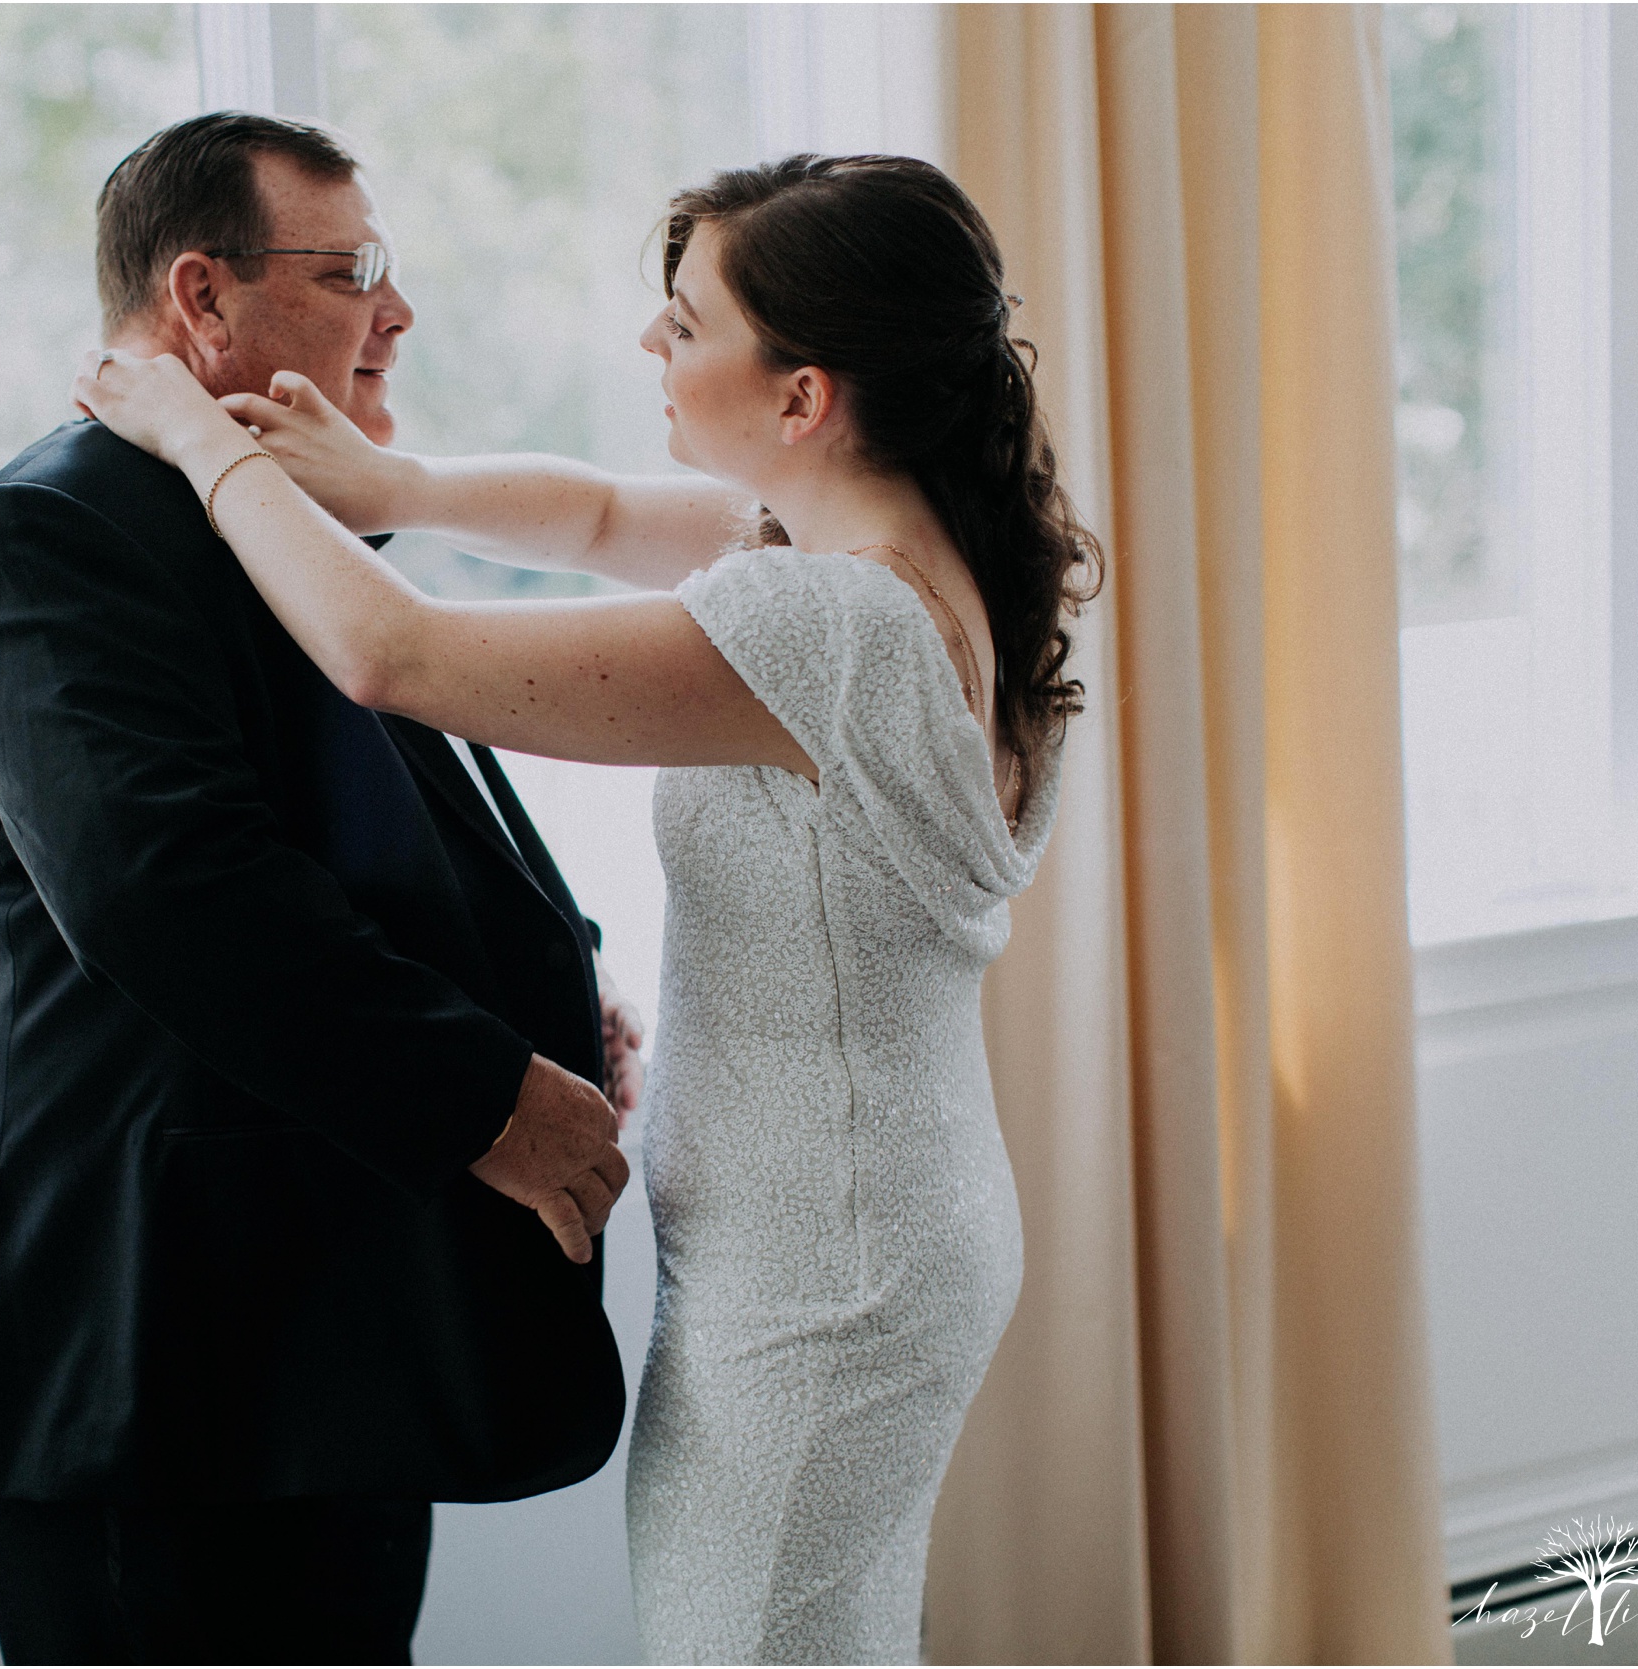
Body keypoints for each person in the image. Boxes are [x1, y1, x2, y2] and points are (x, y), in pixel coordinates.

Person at [75, 151, 1103, 1664]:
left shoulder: (813, 622)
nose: (651, 349)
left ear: (804, 395)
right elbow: (605, 511)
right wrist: (396, 484)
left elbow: (393, 654)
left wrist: (191, 432)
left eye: (684, 325)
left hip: (820, 1280)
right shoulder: (922, 565)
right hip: (886, 1230)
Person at [0, 111, 648, 1667]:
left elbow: (389, 833)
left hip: (327, 1321)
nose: (398, 309)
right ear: (202, 298)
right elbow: (169, 892)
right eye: (350, 267)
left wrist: (554, 991)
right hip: (151, 1347)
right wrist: (488, 1095)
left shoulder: (271, 512)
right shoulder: (61, 526)